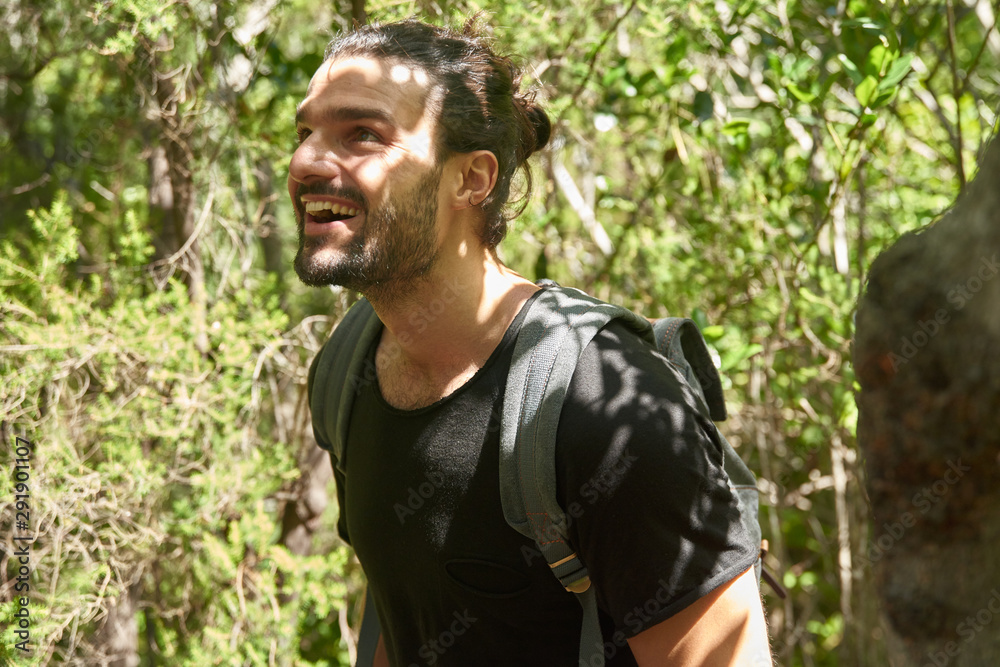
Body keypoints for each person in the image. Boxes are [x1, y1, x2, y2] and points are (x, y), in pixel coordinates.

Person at [290, 17, 771, 666]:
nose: (308, 161)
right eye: (306, 133)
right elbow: (406, 618)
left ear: (472, 179)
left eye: (363, 135)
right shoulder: (347, 371)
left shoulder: (604, 409)